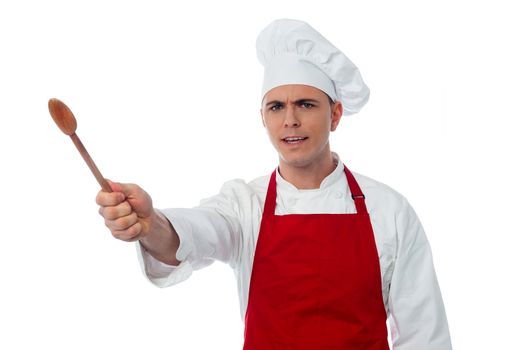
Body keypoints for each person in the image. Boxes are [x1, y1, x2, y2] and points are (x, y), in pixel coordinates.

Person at [96, 19, 452, 349]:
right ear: (263, 118)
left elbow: (424, 333)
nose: (290, 121)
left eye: (306, 104)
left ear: (336, 115)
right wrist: (150, 224)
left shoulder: (389, 210)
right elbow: (195, 232)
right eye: (276, 107)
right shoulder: (243, 205)